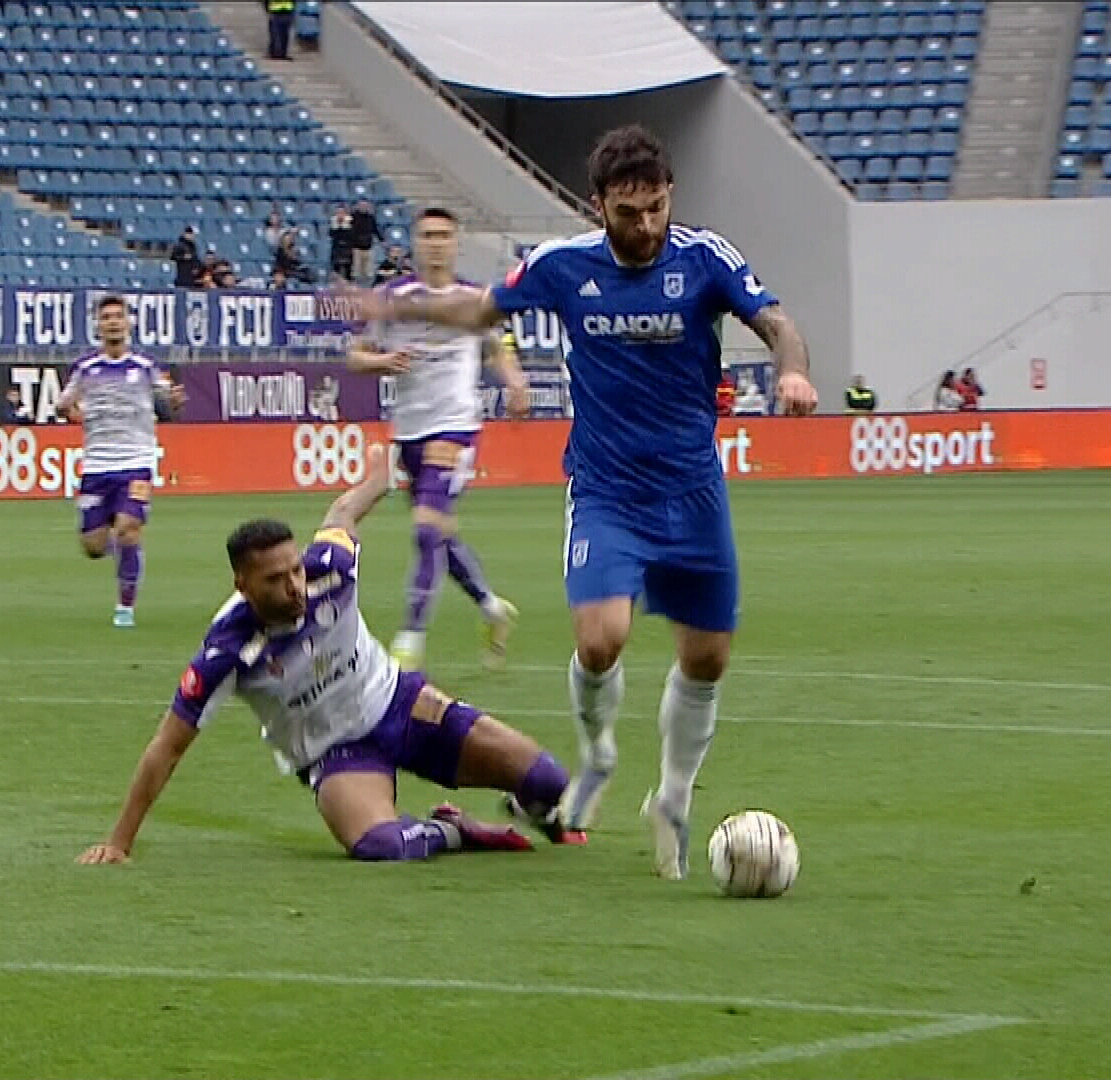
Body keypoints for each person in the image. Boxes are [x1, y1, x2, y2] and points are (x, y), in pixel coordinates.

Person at [345, 125, 817, 870]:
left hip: (693, 489)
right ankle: (597, 749)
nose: (647, 226)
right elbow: (478, 313)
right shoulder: (563, 266)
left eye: (658, 207)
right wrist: (397, 310)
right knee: (600, 639)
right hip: (605, 488)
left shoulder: (704, 257)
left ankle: (673, 796)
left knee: (707, 662)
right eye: (629, 212)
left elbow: (777, 322)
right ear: (597, 205)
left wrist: (792, 372)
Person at [76, 444, 573, 866]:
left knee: (550, 781)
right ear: (242, 585)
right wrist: (119, 842)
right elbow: (167, 747)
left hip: (402, 705)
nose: (294, 586)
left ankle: (530, 806)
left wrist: (379, 475)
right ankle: (458, 831)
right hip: (338, 754)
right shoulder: (227, 650)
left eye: (294, 570)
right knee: (382, 845)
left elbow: (342, 514)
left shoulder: (330, 569)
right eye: (275, 579)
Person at [348, 207, 526, 675]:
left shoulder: (475, 299)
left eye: (444, 235)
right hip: (409, 429)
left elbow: (498, 347)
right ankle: (491, 607)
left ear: (456, 242)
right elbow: (355, 357)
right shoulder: (393, 296)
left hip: (456, 425)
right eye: (427, 235)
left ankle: (410, 641)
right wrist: (384, 361)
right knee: (439, 536)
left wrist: (514, 381)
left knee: (427, 529)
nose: (435, 243)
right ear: (414, 242)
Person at [57, 295, 185, 628]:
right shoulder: (86, 369)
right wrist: (74, 413)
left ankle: (125, 608)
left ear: (128, 324)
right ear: (97, 326)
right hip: (97, 466)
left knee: (128, 530)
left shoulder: (144, 367)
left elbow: (168, 400)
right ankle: (127, 554)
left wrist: (173, 400)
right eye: (106, 317)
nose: (113, 322)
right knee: (94, 547)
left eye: (118, 316)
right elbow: (63, 404)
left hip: (136, 463)